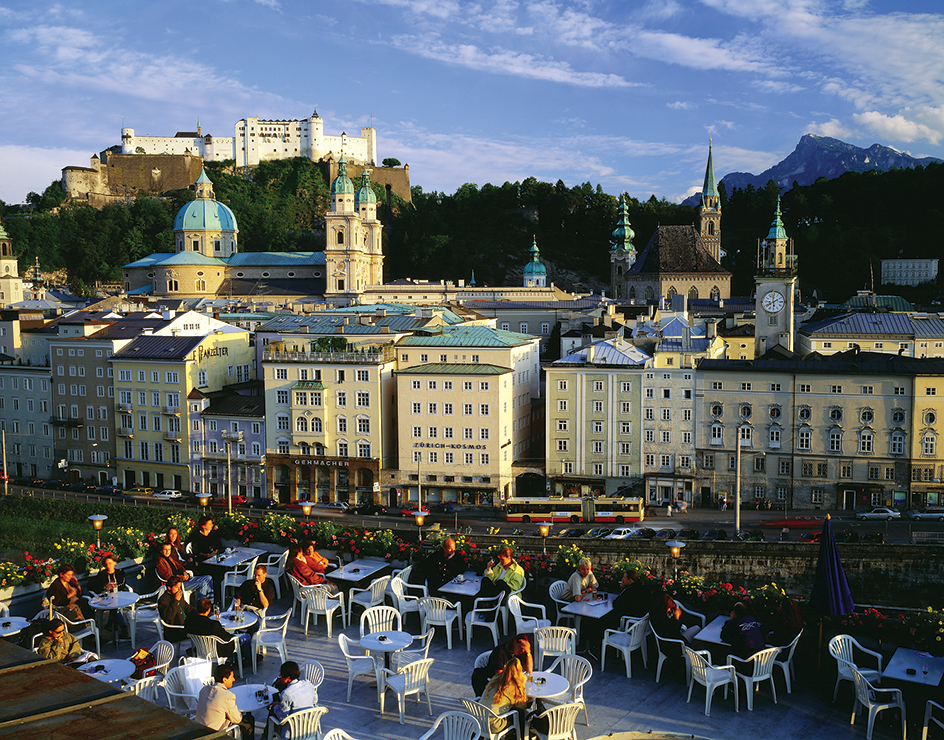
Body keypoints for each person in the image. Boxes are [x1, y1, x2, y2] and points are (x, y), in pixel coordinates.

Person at [195, 663, 254, 740]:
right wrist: (239, 713)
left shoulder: (204, 690)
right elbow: (236, 719)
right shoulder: (227, 695)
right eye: (232, 677)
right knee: (249, 721)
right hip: (214, 735)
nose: (234, 679)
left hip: (198, 730)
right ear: (224, 680)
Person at [185, 597, 251, 661]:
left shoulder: (189, 621)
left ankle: (240, 657)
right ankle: (247, 659)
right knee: (246, 636)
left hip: (200, 649)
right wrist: (230, 634)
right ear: (208, 609)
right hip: (218, 651)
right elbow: (227, 638)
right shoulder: (213, 624)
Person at [480, 656, 529, 735]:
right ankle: (518, 736)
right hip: (493, 725)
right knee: (518, 715)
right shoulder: (513, 687)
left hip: (478, 719)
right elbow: (521, 706)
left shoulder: (496, 678)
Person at [268, 660, 317, 735]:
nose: (279, 676)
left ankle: (266, 735)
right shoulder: (308, 683)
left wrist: (276, 706)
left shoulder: (286, 693)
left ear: (287, 678)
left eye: (281, 674)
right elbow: (315, 701)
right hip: (310, 729)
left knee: (272, 712)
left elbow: (283, 718)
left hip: (294, 733)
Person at [87, 554, 128, 638]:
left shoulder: (120, 572)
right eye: (106, 564)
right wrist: (105, 586)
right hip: (107, 596)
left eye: (110, 563)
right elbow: (99, 585)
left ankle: (110, 623)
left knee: (114, 606)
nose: (108, 566)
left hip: (119, 594)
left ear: (114, 563)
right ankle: (123, 628)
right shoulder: (102, 574)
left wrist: (115, 586)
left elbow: (123, 583)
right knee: (114, 607)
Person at [721, 601, 766, 671]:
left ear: (735, 613)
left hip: (747, 662)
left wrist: (730, 620)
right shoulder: (751, 618)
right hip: (762, 659)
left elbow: (724, 636)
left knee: (722, 657)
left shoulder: (733, 623)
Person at [157, 576, 193, 644]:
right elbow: (168, 616)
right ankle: (196, 651)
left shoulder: (177, 594)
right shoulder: (163, 601)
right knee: (200, 631)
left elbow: (187, 607)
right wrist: (175, 601)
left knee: (204, 625)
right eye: (177, 587)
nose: (179, 589)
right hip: (175, 632)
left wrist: (200, 613)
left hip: (184, 625)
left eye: (180, 587)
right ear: (169, 587)